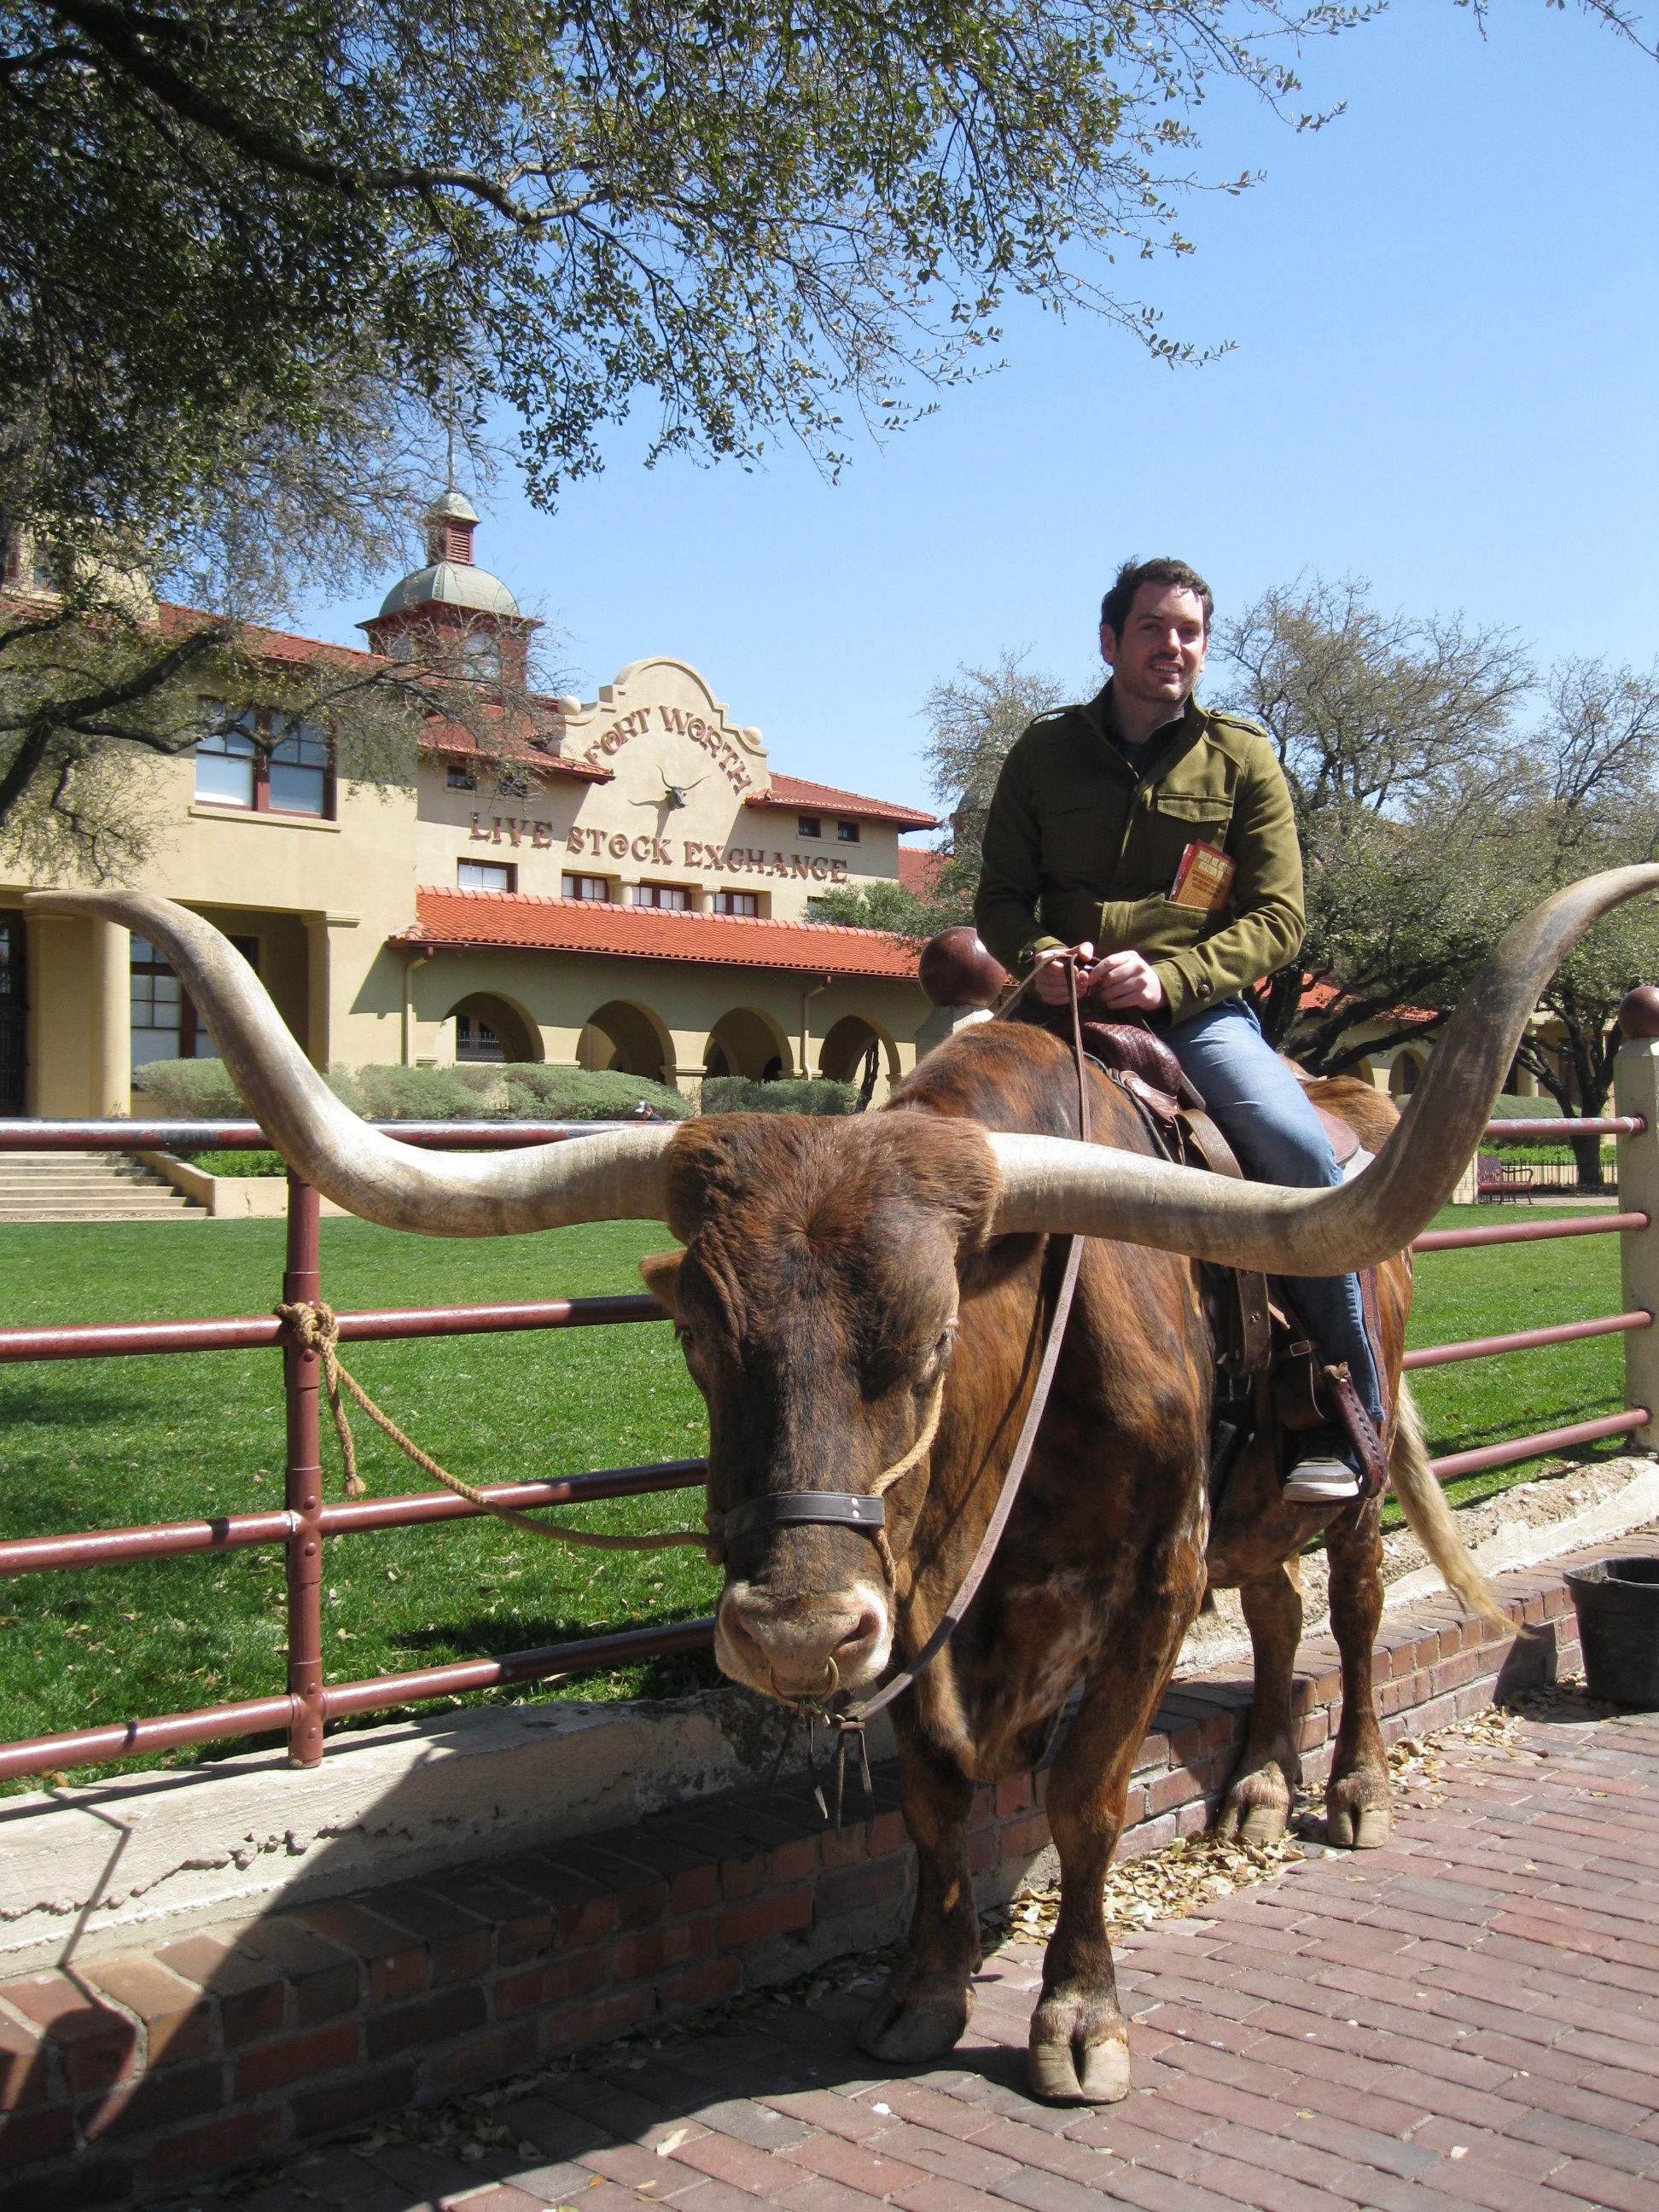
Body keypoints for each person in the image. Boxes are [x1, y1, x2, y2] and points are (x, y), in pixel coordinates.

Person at [974, 555, 1382, 1505]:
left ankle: (1336, 1404)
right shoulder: (1042, 753)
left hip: (1195, 1009)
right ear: (1110, 642)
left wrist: (1169, 978)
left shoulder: (1242, 759)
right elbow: (1000, 899)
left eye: (1189, 632)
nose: (1173, 645)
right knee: (933, 1142)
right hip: (1055, 1003)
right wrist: (1040, 956)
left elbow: (1278, 919)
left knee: (1295, 1152)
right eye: (1153, 627)